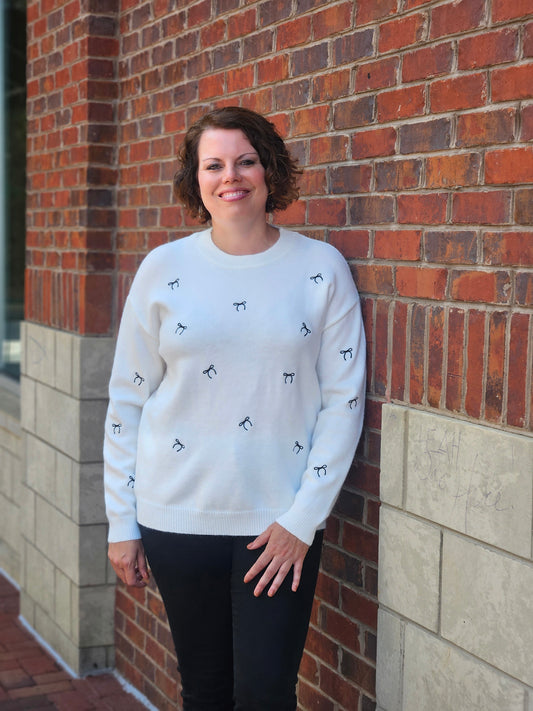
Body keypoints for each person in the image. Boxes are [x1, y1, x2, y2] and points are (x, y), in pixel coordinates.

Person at [104, 106, 366, 711]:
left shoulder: (320, 269)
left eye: (246, 161)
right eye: (214, 164)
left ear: (269, 170)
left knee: (266, 694)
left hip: (277, 528)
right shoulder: (163, 269)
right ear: (196, 180)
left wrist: (304, 519)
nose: (232, 177)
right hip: (177, 519)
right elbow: (127, 400)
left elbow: (343, 400)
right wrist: (123, 522)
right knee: (206, 691)